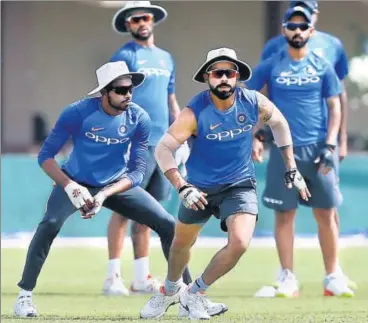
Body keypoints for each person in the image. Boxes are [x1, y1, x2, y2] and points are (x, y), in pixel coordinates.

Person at [140, 47, 310, 320]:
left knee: (240, 242)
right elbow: (163, 150)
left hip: (239, 184)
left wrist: (291, 166)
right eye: (217, 73)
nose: (224, 79)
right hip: (198, 188)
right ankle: (170, 290)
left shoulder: (254, 102)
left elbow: (280, 124)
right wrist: (182, 186)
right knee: (181, 244)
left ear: (237, 77)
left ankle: (193, 294)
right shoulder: (194, 112)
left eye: (229, 73)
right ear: (207, 77)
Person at [13, 61, 191, 317]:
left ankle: (187, 296)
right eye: (120, 90)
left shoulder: (139, 117)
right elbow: (46, 156)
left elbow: (138, 172)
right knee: (50, 223)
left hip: (115, 184)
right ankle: (24, 297)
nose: (127, 94)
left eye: (130, 89)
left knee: (167, 223)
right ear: (104, 92)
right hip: (75, 180)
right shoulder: (77, 112)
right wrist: (70, 185)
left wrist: (104, 194)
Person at [248, 7, 354, 297]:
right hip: (283, 150)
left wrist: (332, 143)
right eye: (291, 26)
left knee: (326, 212)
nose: (297, 31)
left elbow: (335, 106)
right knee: (285, 214)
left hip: (318, 148)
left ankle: (332, 276)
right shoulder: (271, 64)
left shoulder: (323, 64)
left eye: (302, 26)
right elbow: (253, 99)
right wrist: (256, 135)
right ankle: (287, 277)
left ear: (310, 31)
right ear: (284, 31)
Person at [103, 1, 189, 296]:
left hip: (162, 146)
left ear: (152, 20)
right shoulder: (124, 55)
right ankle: (112, 277)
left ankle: (141, 278)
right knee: (123, 209)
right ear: (128, 25)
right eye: (135, 19)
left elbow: (171, 99)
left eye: (145, 17)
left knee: (150, 213)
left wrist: (181, 136)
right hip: (133, 143)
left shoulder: (166, 58)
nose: (141, 22)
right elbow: (112, 99)